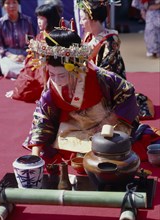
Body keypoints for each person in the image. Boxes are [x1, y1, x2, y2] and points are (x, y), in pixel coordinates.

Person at [22, 27, 141, 165]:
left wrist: (111, 119)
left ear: (76, 68)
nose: (56, 80)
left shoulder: (100, 77)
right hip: (75, 128)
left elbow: (128, 91)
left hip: (107, 124)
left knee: (112, 147)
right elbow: (42, 117)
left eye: (61, 75)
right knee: (63, 147)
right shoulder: (51, 87)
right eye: (52, 74)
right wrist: (35, 155)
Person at [6, 3, 61, 102]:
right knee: (22, 85)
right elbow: (32, 59)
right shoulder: (40, 35)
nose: (39, 22)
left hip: (52, 72)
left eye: (42, 18)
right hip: (37, 69)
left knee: (28, 90)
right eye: (38, 18)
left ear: (50, 19)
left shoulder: (58, 36)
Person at [77, 0, 126, 79]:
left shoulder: (110, 39)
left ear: (93, 19)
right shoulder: (88, 35)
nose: (80, 22)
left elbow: (108, 70)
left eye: (83, 19)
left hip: (105, 82)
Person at [0, 0, 35, 79]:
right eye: (8, 3)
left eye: (14, 2)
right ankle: (24, 74)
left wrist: (24, 54)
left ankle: (24, 74)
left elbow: (32, 41)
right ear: (3, 6)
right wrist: (11, 55)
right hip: (8, 55)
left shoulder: (27, 21)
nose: (11, 6)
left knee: (33, 66)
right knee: (8, 70)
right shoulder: (0, 23)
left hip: (25, 53)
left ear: (18, 4)